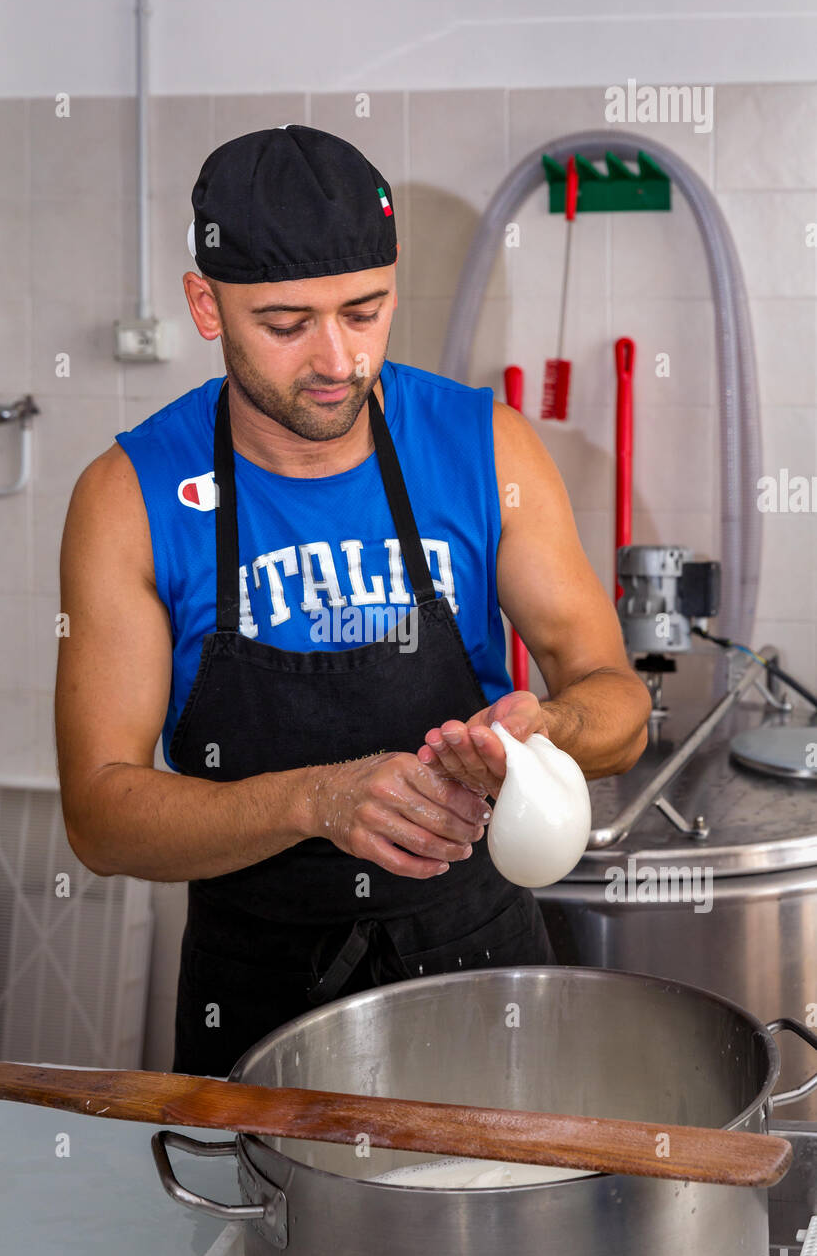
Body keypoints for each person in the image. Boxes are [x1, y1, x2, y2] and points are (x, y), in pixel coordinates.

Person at [55, 125, 651, 1077]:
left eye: (365, 312)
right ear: (206, 306)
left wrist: (547, 731)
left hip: (478, 971)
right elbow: (100, 815)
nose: (337, 359)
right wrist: (317, 800)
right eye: (287, 325)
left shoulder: (485, 448)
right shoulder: (130, 497)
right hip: (251, 995)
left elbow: (620, 702)